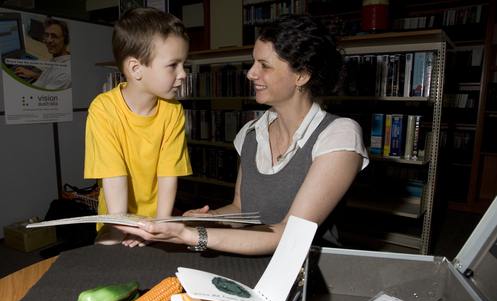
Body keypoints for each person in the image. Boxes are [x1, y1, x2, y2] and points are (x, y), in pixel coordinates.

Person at [115, 13, 369, 254]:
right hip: (252, 261)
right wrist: (208, 219)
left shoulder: (339, 135)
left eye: (264, 65)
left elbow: (288, 234)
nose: (251, 73)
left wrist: (192, 235)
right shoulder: (251, 133)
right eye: (253, 62)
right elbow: (240, 208)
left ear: (301, 75)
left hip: (308, 272)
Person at [84, 7, 192, 246]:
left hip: (155, 220)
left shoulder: (173, 111)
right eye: (173, 65)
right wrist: (120, 231)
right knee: (108, 254)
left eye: (184, 64)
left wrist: (158, 228)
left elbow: (168, 175)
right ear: (136, 69)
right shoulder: (103, 109)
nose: (183, 74)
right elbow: (114, 177)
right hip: (116, 220)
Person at [15, 18, 71, 90]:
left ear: (65, 40)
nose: (48, 40)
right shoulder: (58, 58)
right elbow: (49, 78)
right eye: (46, 35)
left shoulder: (64, 75)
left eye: (54, 36)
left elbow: (42, 97)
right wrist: (33, 74)